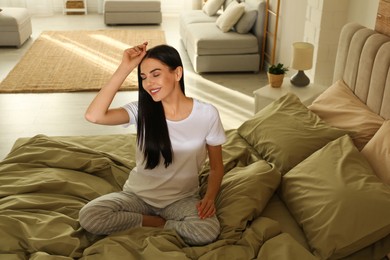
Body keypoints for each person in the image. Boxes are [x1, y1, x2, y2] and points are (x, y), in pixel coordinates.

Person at [79, 42, 226, 246]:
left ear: (177, 73)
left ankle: (160, 224)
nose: (148, 83)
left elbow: (217, 167)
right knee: (90, 216)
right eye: (143, 77)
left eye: (155, 74)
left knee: (206, 231)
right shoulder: (141, 111)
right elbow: (94, 116)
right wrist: (125, 67)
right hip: (138, 197)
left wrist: (209, 198)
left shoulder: (207, 114)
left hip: (181, 200)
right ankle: (156, 224)